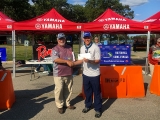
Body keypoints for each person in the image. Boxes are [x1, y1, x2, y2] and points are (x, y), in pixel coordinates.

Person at [74, 32, 102, 118]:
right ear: (83, 39)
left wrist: (89, 61)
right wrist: (73, 63)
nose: (87, 39)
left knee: (96, 92)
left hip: (94, 74)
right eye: (85, 37)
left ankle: (98, 109)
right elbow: (81, 60)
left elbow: (98, 60)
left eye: (88, 37)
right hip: (85, 74)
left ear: (91, 38)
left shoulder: (95, 48)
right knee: (87, 91)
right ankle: (88, 105)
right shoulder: (82, 48)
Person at [52, 33, 76, 114]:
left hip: (69, 72)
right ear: (57, 40)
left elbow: (73, 58)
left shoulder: (69, 48)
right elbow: (56, 59)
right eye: (60, 39)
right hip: (58, 73)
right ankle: (60, 106)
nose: (61, 40)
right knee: (59, 90)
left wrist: (74, 62)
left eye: (63, 39)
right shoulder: (55, 49)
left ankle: (67, 103)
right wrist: (66, 61)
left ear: (65, 39)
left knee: (68, 89)